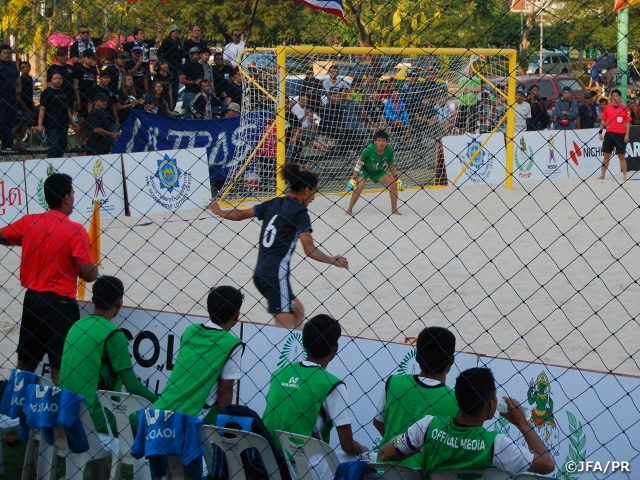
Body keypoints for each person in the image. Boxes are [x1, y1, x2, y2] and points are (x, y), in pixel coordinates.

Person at [208, 164, 349, 329]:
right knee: (284, 332)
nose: (314, 197)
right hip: (276, 275)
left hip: (260, 274)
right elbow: (309, 250)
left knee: (298, 310)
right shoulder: (300, 212)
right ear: (306, 190)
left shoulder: (274, 203)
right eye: (314, 192)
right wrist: (334, 260)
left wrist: (218, 210)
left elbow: (239, 215)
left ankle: (295, 350)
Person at [0, 173, 98, 385]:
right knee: (60, 368)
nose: (73, 196)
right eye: (72, 193)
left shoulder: (29, 222)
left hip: (33, 299)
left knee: (25, 364)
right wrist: (93, 270)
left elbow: (3, 236)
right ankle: (58, 415)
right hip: (60, 304)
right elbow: (89, 275)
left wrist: (27, 243)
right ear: (66, 198)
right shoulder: (75, 230)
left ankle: (13, 407)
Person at [377, 367, 555, 475]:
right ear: (491, 404)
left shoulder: (427, 426)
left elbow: (385, 454)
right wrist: (521, 423)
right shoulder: (496, 445)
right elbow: (546, 464)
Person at [262, 314, 369, 480]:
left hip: (270, 460)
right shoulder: (333, 385)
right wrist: (364, 449)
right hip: (305, 466)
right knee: (365, 459)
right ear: (335, 347)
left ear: (304, 343)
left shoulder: (279, 373)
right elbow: (347, 445)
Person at [59, 276, 158, 432]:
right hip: (96, 417)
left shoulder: (77, 326)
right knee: (155, 421)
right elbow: (132, 385)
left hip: (65, 410)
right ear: (119, 302)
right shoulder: (113, 334)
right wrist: (162, 403)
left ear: (93, 300)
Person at [155, 285, 244, 424]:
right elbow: (225, 391)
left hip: (159, 410)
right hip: (186, 420)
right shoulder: (232, 344)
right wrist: (223, 427)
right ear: (237, 314)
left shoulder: (190, 330)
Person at [373, 327, 458, 468]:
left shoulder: (393, 383)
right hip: (423, 474)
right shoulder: (455, 400)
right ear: (451, 361)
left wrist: (398, 448)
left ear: (417, 356)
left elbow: (378, 422)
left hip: (385, 470)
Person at [346, 130, 403, 216]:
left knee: (393, 184)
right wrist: (354, 178)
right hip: (364, 169)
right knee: (360, 186)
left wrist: (396, 177)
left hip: (377, 170)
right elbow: (359, 163)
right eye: (379, 140)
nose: (381, 143)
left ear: (387, 141)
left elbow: (390, 165)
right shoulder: (368, 149)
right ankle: (349, 209)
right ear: (375, 141)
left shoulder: (389, 151)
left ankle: (394, 210)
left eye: (383, 141)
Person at [37, 73, 78, 158]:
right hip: (51, 124)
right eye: (55, 79)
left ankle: (58, 163)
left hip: (63, 123)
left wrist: (73, 122)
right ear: (51, 80)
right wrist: (40, 124)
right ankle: (50, 163)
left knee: (62, 146)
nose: (58, 80)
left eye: (59, 78)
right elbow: (42, 108)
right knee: (54, 146)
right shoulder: (47, 92)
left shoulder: (64, 92)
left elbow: (67, 109)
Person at [598, 89, 632, 181]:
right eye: (614, 96)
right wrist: (600, 132)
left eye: (617, 96)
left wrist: (627, 135)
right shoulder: (607, 107)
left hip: (621, 134)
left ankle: (624, 175)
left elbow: (628, 122)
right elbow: (603, 120)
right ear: (611, 97)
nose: (615, 97)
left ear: (620, 97)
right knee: (606, 155)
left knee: (621, 156)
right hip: (609, 133)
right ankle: (602, 175)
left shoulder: (625, 108)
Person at [73, 50, 98, 149]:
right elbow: (75, 83)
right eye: (88, 58)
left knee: (87, 121)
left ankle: (83, 140)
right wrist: (78, 97)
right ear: (84, 58)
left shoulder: (93, 69)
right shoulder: (79, 69)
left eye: (92, 58)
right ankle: (76, 142)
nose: (90, 60)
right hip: (82, 97)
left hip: (91, 97)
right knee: (81, 120)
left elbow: (95, 83)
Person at [85, 90, 120, 155]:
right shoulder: (94, 112)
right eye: (102, 101)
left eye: (105, 100)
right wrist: (112, 134)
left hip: (103, 145)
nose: (104, 103)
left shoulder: (102, 112)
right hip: (95, 146)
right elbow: (96, 129)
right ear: (96, 101)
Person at [157, 25, 184, 104]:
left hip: (176, 68)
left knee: (175, 89)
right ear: (171, 32)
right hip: (168, 67)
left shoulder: (179, 41)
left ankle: (173, 104)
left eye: (177, 31)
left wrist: (180, 67)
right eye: (174, 31)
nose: (176, 32)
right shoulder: (167, 41)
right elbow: (159, 52)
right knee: (167, 87)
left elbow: (180, 55)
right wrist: (163, 64)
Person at [15, 61, 38, 150]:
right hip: (21, 107)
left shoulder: (30, 79)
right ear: (20, 69)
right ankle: (16, 141)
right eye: (23, 67)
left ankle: (41, 137)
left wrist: (33, 105)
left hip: (30, 104)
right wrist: (28, 110)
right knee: (26, 119)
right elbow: (19, 98)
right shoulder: (20, 80)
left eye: (27, 67)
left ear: (30, 68)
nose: (25, 68)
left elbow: (30, 94)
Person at [0, 44, 19, 152]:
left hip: (12, 97)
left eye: (9, 53)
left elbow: (17, 77)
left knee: (11, 121)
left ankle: (7, 145)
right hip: (2, 97)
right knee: (2, 121)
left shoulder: (12, 65)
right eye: (5, 53)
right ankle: (4, 143)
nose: (7, 55)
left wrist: (19, 89)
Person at [180, 47, 205, 118]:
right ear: (190, 55)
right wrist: (194, 82)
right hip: (190, 92)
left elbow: (202, 78)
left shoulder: (200, 66)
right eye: (194, 54)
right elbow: (181, 80)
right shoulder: (185, 65)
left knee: (199, 113)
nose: (196, 56)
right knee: (188, 113)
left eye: (197, 54)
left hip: (199, 92)